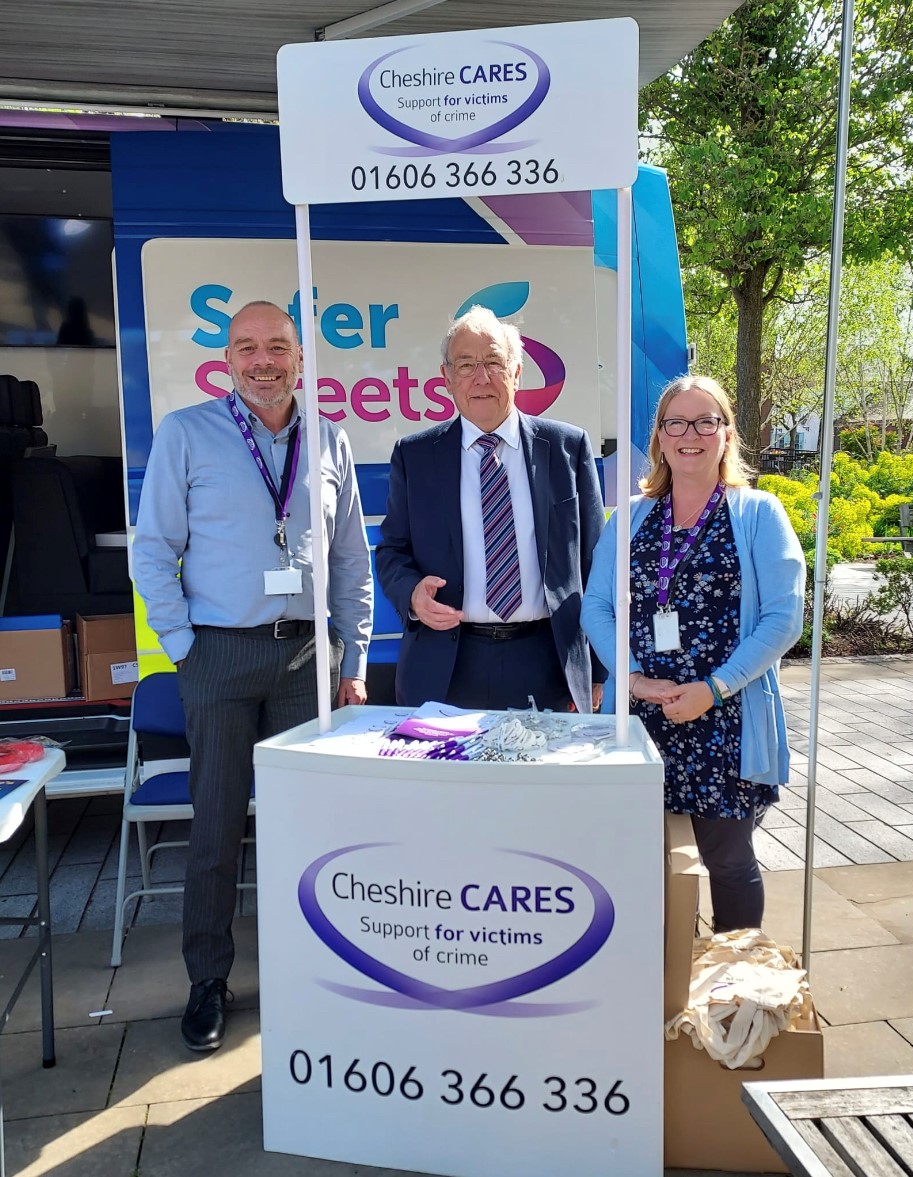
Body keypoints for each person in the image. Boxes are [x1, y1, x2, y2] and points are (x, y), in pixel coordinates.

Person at [133, 300, 373, 1051]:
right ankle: (208, 977)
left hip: (307, 659)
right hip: (220, 655)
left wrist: (354, 660)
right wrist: (184, 646)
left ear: (300, 358)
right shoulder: (187, 434)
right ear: (227, 359)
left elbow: (351, 562)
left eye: (277, 347)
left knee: (311, 827)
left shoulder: (329, 437)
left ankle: (311, 972)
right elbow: (152, 549)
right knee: (215, 824)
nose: (263, 360)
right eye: (248, 347)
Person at [581, 375, 805, 933]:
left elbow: (784, 617)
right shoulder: (630, 518)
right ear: (658, 438)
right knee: (646, 865)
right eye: (676, 422)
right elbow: (597, 607)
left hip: (724, 718)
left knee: (727, 863)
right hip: (644, 718)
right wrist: (631, 678)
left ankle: (735, 992)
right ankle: (661, 986)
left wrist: (715, 688)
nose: (691, 434)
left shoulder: (758, 513)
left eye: (707, 421)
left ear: (727, 435)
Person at [376, 304, 605, 715]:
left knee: (540, 780)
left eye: (494, 363)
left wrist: (597, 671)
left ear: (517, 372)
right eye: (466, 365)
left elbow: (598, 564)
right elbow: (393, 550)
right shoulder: (414, 456)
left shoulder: (568, 449)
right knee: (447, 781)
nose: (481, 378)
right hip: (446, 664)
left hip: (546, 661)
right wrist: (411, 594)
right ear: (446, 379)